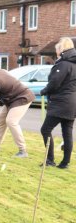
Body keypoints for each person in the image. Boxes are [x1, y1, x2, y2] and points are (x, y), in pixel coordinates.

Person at [40, 37, 76, 168]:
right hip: (72, 103)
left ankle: (49, 160)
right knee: (67, 132)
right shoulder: (73, 63)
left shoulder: (63, 64)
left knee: (45, 129)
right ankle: (65, 163)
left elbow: (54, 83)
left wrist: (44, 91)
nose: (56, 52)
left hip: (61, 103)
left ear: (62, 49)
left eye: (57, 49)